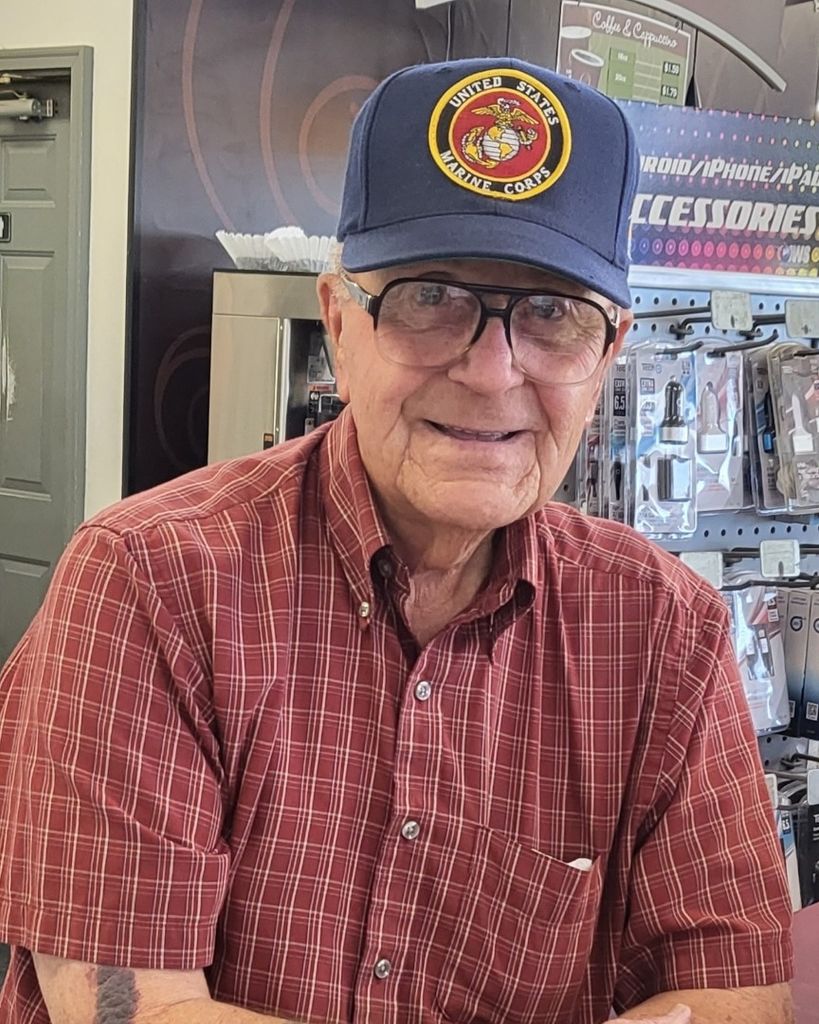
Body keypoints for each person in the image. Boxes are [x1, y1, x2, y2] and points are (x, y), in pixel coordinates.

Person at [0, 56, 793, 1024]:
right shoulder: (149, 580)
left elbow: (733, 985)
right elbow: (128, 1007)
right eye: (430, 298)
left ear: (607, 356)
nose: (492, 372)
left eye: (552, 314)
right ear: (340, 326)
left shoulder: (666, 627)